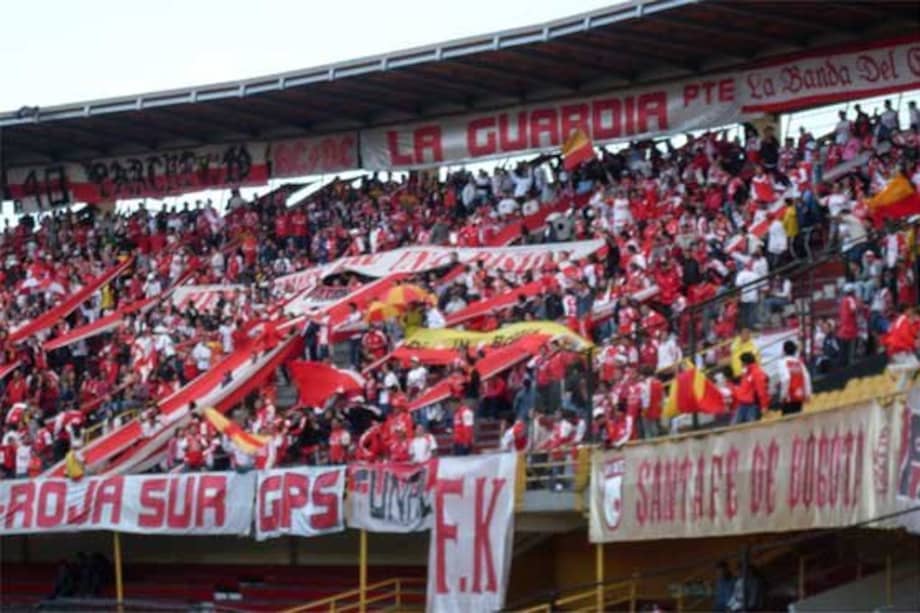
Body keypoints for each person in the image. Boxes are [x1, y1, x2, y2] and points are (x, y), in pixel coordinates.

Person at [775, 340, 811, 415]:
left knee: (788, 423)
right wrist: (807, 394)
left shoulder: (783, 362)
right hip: (799, 396)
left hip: (789, 397)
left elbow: (786, 379)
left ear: (784, 350)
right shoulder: (799, 362)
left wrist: (783, 395)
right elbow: (806, 378)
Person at [732, 352, 768, 424]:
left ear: (745, 362)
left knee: (751, 429)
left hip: (752, 406)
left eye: (741, 362)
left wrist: (764, 406)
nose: (741, 365)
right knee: (734, 428)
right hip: (743, 404)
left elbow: (761, 390)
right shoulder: (747, 373)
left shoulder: (756, 372)